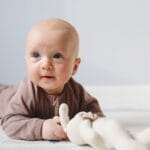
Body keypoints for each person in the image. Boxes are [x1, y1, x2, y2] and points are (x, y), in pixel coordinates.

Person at [0, 18, 104, 141]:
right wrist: (42, 128)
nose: (46, 65)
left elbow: (94, 110)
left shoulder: (76, 92)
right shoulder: (28, 91)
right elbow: (10, 123)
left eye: (57, 56)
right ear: (26, 61)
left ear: (74, 67)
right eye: (36, 55)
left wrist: (90, 121)